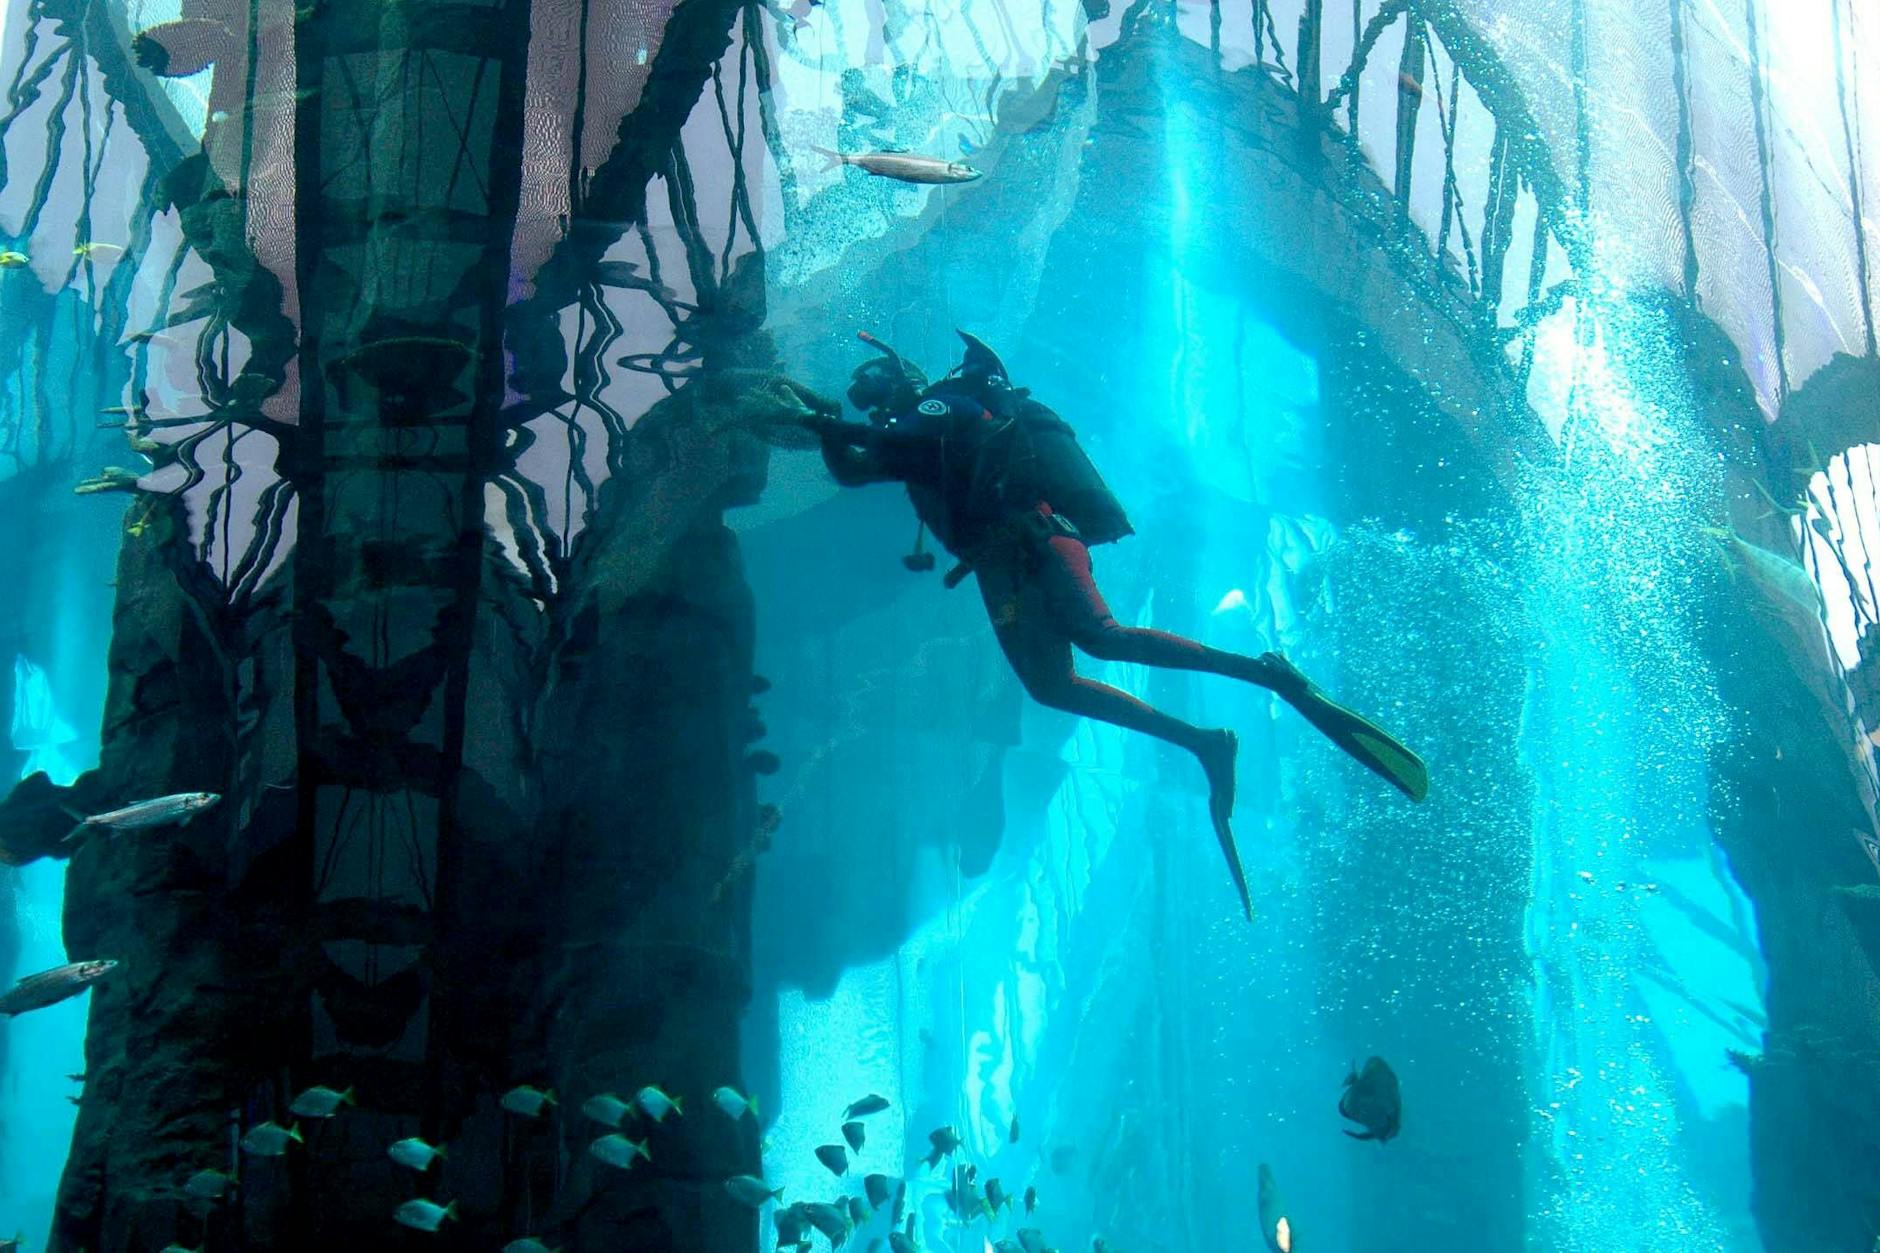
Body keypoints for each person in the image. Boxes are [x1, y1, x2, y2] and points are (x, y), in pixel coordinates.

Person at [796, 331, 1428, 919]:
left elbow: (881, 445)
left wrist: (831, 423)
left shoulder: (943, 408)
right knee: (1052, 687)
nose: (874, 407)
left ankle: (1266, 674)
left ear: (902, 383)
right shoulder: (914, 437)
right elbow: (856, 468)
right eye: (868, 399)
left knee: (1103, 636)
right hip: (1001, 567)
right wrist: (827, 429)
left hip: (1038, 538)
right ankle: (1203, 741)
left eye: (876, 391)